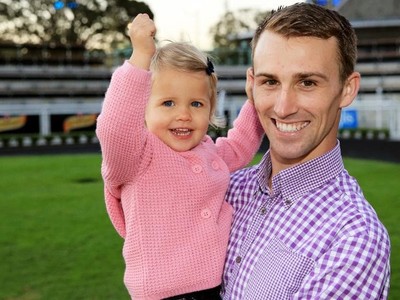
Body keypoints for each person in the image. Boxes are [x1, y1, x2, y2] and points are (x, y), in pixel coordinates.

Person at [222, 3, 391, 299]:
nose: (284, 107)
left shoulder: (354, 237)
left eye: (307, 82)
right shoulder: (225, 190)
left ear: (347, 89)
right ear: (251, 85)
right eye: (270, 81)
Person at [96, 14, 264, 300]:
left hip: (211, 290)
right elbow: (115, 127)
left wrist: (255, 100)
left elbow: (240, 145)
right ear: (143, 108)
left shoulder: (207, 150)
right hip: (164, 294)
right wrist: (139, 58)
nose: (183, 114)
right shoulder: (138, 155)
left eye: (196, 103)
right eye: (168, 102)